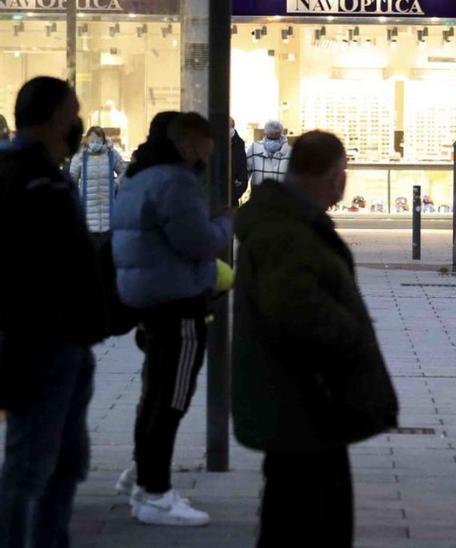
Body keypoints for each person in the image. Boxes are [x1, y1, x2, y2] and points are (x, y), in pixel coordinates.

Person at [232, 131, 398, 548]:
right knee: (305, 517)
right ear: (331, 175)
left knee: (300, 511)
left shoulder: (290, 222)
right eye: (343, 173)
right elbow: (296, 309)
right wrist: (351, 330)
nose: (344, 183)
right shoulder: (288, 232)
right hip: (302, 400)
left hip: (304, 402)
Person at [0, 76, 107, 548]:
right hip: (38, 341)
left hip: (67, 340)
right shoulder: (24, 177)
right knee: (29, 466)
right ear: (52, 119)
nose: (78, 123)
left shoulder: (47, 171)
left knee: (66, 460)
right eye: (72, 112)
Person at [111, 112, 232, 527]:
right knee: (172, 401)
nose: (210, 151)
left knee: (154, 396)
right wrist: (225, 223)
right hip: (179, 303)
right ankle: (155, 492)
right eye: (207, 143)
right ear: (190, 144)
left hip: (149, 301)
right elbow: (197, 241)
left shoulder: (138, 176)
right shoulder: (176, 182)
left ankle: (141, 476)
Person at [70, 126, 128, 238]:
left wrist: (117, 183)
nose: (95, 143)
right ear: (87, 140)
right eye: (92, 140)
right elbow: (72, 178)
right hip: (87, 214)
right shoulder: (80, 156)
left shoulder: (112, 154)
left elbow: (124, 171)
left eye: (98, 140)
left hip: (109, 215)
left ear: (103, 140)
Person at [247, 119, 290, 187]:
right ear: (265, 134)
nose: (272, 142)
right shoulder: (254, 148)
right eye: (270, 138)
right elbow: (245, 173)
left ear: (281, 134)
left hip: (282, 196)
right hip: (260, 195)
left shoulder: (290, 152)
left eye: (276, 138)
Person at [230, 117, 250, 204]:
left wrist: (235, 195)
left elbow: (243, 174)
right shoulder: (215, 142)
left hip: (232, 198)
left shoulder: (238, 144)